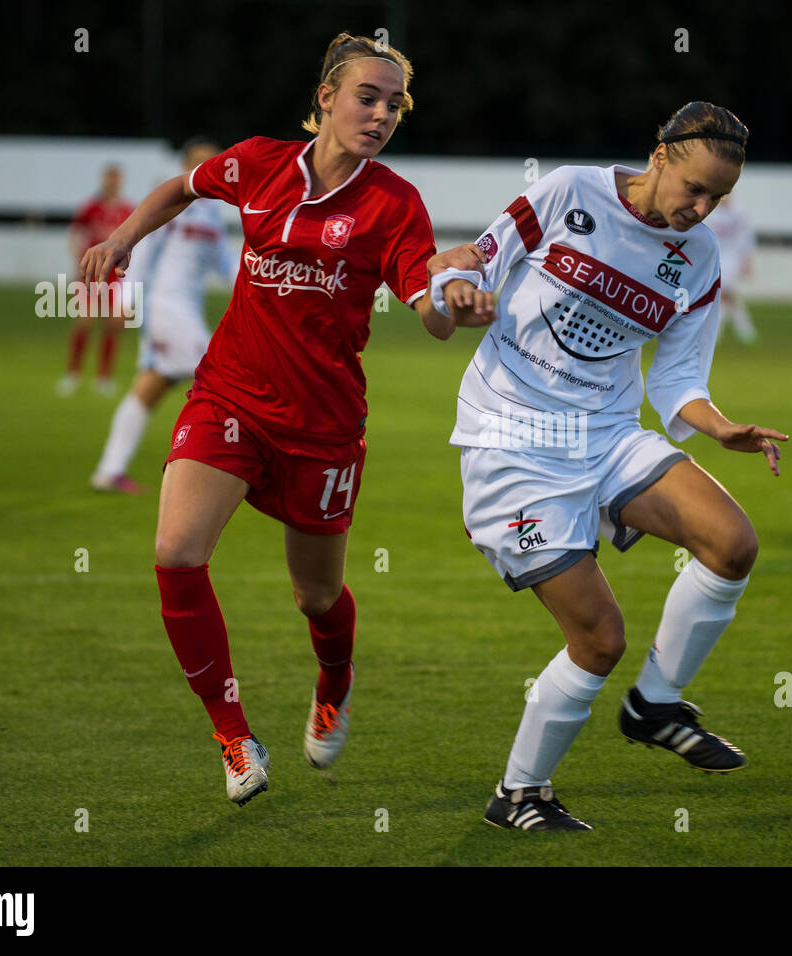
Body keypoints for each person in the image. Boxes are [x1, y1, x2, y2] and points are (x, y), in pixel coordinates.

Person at [80, 32, 486, 806]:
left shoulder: (394, 203)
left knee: (316, 597)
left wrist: (455, 303)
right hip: (228, 397)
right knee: (174, 553)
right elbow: (182, 188)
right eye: (367, 97)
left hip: (324, 427)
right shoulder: (260, 163)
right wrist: (124, 238)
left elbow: (427, 308)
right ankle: (233, 736)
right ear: (326, 98)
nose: (380, 114)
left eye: (394, 104)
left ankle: (334, 681)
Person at [431, 102, 788, 831]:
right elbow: (471, 265)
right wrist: (455, 291)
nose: (700, 208)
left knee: (732, 541)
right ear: (658, 156)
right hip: (512, 443)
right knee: (599, 639)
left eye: (717, 198)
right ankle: (520, 794)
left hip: (608, 432)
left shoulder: (700, 256)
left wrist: (718, 428)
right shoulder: (569, 192)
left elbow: (677, 378)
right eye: (693, 187)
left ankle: (655, 703)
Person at [90, 138, 237, 494]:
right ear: (186, 165)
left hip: (188, 310)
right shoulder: (173, 204)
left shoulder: (212, 212)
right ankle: (214, 471)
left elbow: (225, 264)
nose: (208, 169)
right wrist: (124, 298)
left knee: (149, 389)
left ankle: (109, 471)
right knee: (218, 376)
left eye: (212, 162)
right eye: (199, 162)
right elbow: (140, 249)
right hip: (163, 308)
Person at [60, 164, 134, 397]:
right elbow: (74, 234)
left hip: (114, 275)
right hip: (91, 273)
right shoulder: (90, 208)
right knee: (85, 321)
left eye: (117, 179)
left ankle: (104, 377)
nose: (113, 182)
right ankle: (73, 374)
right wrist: (77, 260)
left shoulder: (127, 210)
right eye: (110, 178)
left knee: (114, 324)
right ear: (104, 180)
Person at [704, 193, 758, 344]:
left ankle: (722, 331)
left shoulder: (739, 212)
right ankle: (745, 330)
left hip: (734, 258)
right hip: (718, 258)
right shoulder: (712, 213)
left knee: (725, 294)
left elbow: (747, 237)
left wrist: (747, 260)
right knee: (726, 295)